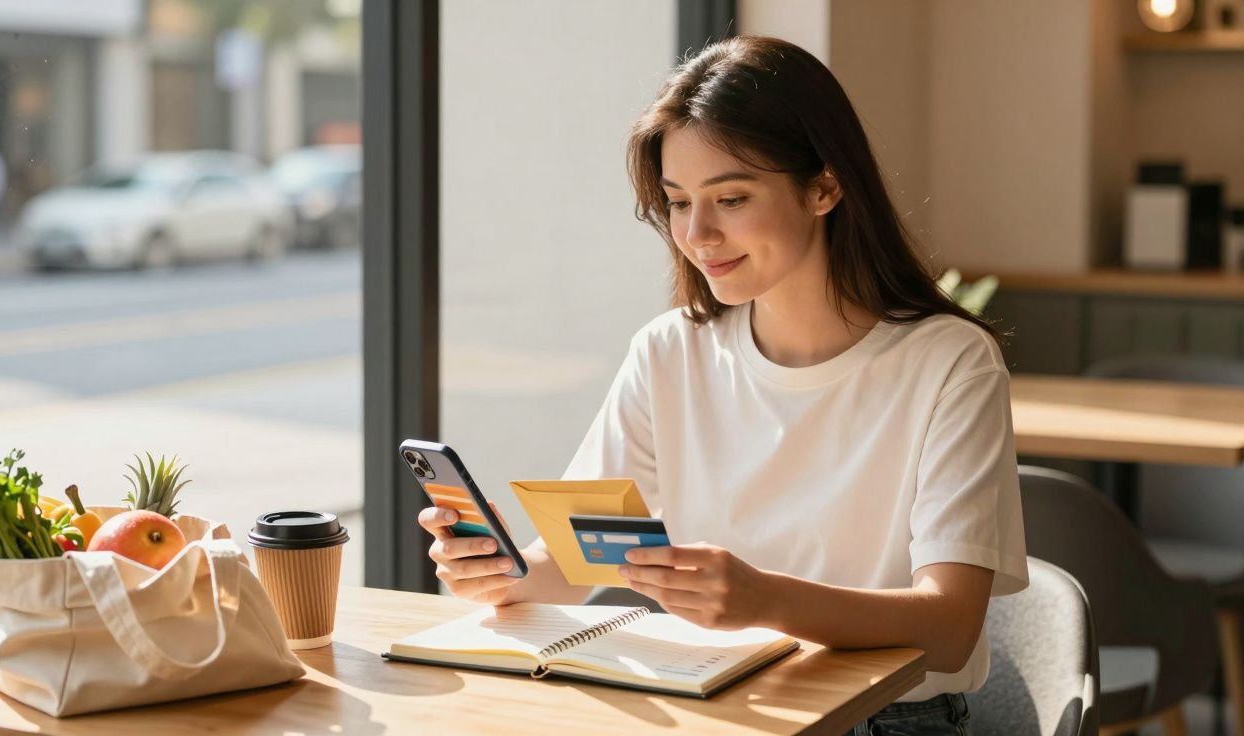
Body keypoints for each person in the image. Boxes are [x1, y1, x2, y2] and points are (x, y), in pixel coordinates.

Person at [419, 35, 1026, 734]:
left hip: (881, 721)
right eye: (677, 202)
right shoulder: (669, 353)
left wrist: (765, 599)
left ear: (825, 187)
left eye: (731, 198)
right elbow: (574, 562)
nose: (697, 233)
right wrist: (493, 571)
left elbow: (949, 627)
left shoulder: (951, 363)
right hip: (708, 706)